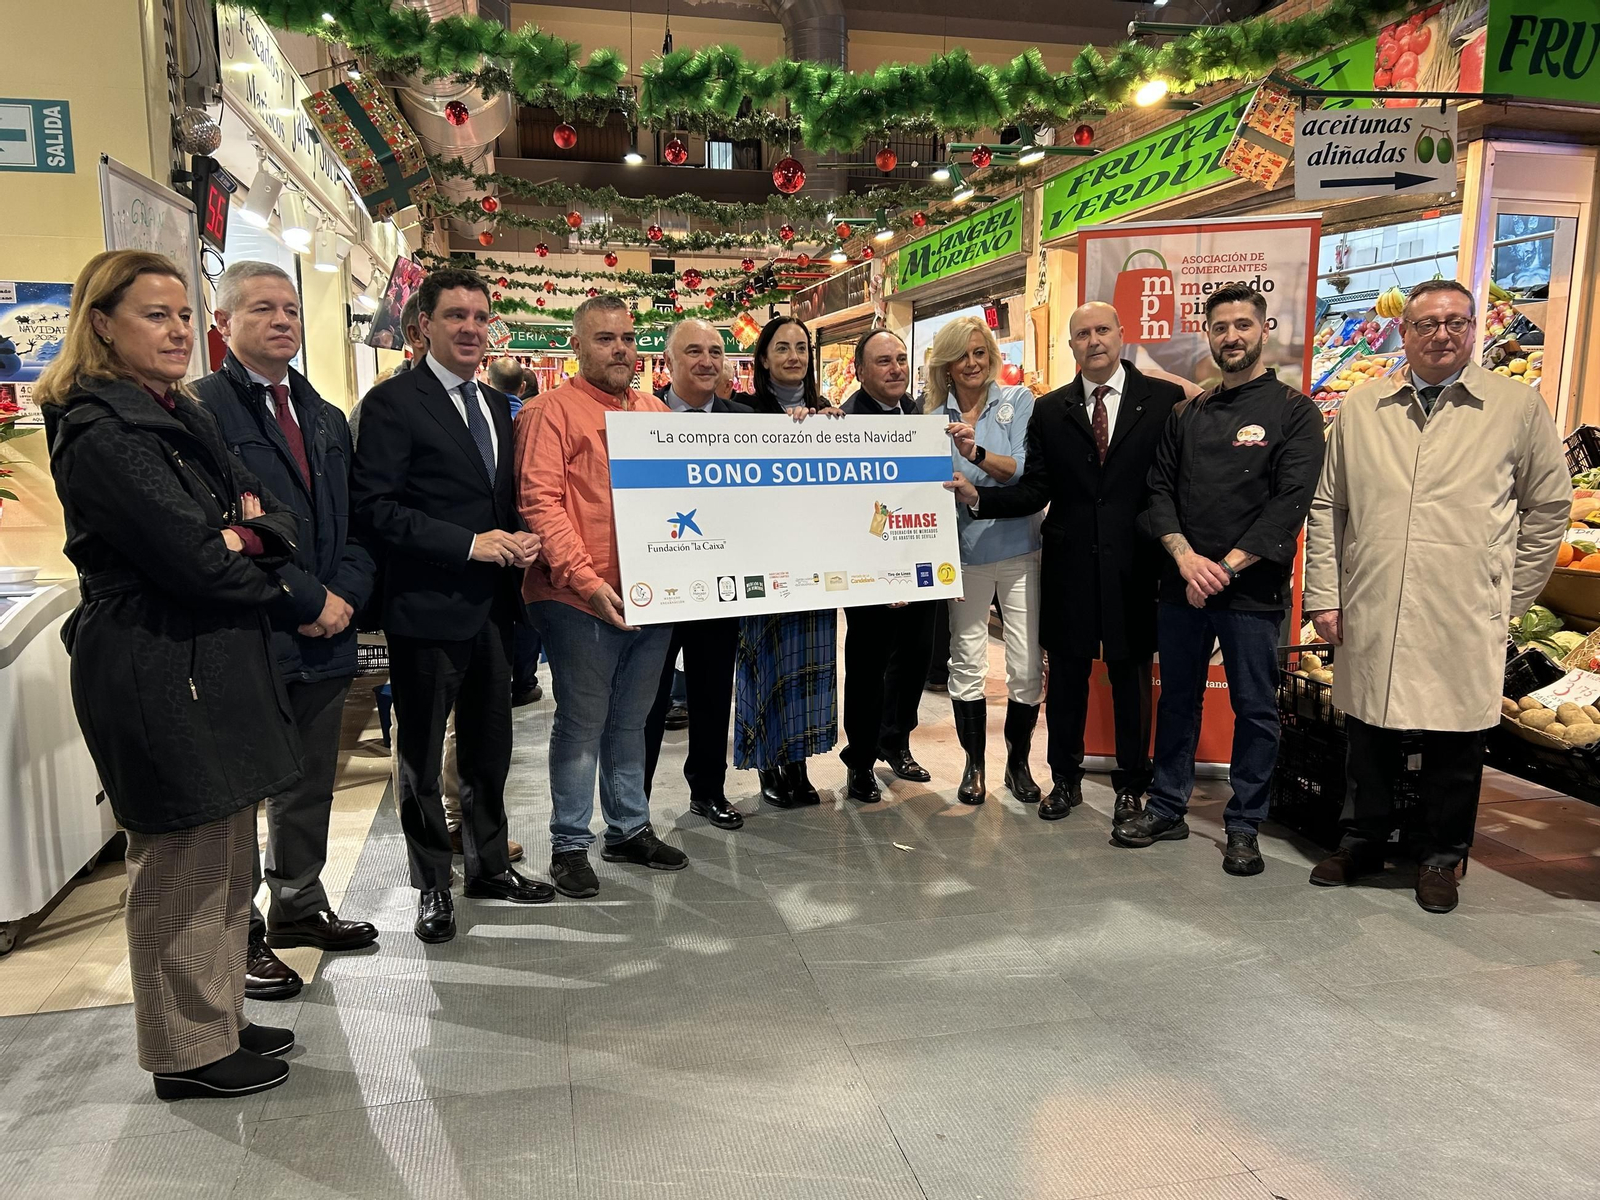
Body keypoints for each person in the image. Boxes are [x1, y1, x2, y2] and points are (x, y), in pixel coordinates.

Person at [39, 250, 303, 1100]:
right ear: (102, 324)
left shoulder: (178, 414)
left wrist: (246, 535)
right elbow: (194, 559)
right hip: (157, 661)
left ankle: (216, 1014)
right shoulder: (101, 429)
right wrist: (238, 538)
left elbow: (274, 515)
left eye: (185, 314)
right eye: (157, 315)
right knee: (180, 861)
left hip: (209, 656)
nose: (179, 330)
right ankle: (185, 1052)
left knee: (227, 857)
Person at [1303, 280, 1568, 913]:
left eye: (1455, 322)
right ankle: (1363, 841)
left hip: (1462, 604)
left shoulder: (1514, 407)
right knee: (1368, 732)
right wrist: (1324, 594)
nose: (1440, 334)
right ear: (1405, 332)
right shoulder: (1364, 409)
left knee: (1455, 741)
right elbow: (1326, 507)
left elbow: (1550, 506)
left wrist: (1509, 596)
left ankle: (1441, 858)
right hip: (1375, 597)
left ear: (1474, 329)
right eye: (1426, 324)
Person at [351, 267, 552, 944]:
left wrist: (519, 540)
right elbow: (376, 510)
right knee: (419, 758)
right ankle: (432, 886)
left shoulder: (498, 406)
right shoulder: (392, 404)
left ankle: (489, 864)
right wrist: (470, 544)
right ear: (424, 326)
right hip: (426, 608)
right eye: (456, 316)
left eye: (480, 316)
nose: (471, 328)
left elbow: (500, 502)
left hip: (495, 612)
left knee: (491, 750)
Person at [197, 262, 380, 1003]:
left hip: (327, 634)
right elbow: (223, 535)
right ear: (225, 324)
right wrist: (305, 598)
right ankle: (237, 934)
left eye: (292, 309)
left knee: (309, 785)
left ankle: (298, 906)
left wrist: (344, 596)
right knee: (241, 795)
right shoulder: (201, 412)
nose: (283, 321)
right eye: (263, 309)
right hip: (252, 633)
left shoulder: (325, 415)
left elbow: (358, 525)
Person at [1119, 283, 1324, 875]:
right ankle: (1167, 806)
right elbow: (1157, 494)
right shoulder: (1188, 414)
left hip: (1252, 593)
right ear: (1207, 336)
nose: (1231, 336)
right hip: (1182, 587)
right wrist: (1186, 562)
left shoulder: (1294, 412)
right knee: (1178, 700)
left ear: (1266, 330)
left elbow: (1287, 508)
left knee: (1255, 709)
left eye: (1242, 325)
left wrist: (1222, 570)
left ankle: (1244, 824)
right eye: (1220, 327)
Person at [949, 302, 1183, 820]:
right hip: (1068, 562)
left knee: (1131, 677)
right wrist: (979, 500)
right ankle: (1065, 778)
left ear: (1122, 334)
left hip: (1135, 562)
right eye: (1082, 334)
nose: (1093, 340)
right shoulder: (1052, 410)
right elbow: (1036, 489)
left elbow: (1174, 481)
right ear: (1071, 345)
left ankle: (1130, 785)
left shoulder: (1162, 400)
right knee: (1068, 677)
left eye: (1103, 329)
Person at [519, 295, 688, 899]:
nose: (621, 349)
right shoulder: (549, 412)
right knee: (583, 721)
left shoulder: (652, 411)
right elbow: (540, 504)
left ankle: (628, 827)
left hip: (652, 593)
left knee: (632, 719)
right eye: (604, 339)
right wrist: (588, 583)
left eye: (627, 337)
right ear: (578, 347)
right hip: (574, 597)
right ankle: (569, 844)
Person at [926, 315, 1042, 806]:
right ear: (946, 365)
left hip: (1020, 550)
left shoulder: (1019, 402)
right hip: (963, 555)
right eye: (961, 355)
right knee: (966, 660)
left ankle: (1018, 764)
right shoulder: (930, 421)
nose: (972, 363)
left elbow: (1020, 470)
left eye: (979, 352)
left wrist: (974, 457)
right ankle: (975, 765)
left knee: (1026, 665)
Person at [641, 319, 752, 830]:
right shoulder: (640, 417)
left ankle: (708, 790)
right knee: (646, 701)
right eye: (693, 351)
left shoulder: (746, 421)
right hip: (655, 588)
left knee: (712, 695)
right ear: (669, 362)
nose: (707, 360)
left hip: (719, 585)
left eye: (715, 351)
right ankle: (631, 805)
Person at [734, 317, 839, 808]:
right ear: (763, 358)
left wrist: (833, 433)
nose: (794, 356)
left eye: (801, 348)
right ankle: (768, 764)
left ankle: (799, 760)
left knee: (810, 667)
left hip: (815, 563)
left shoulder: (828, 414)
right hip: (763, 563)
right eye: (783, 348)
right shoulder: (744, 411)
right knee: (765, 663)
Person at [838, 329, 939, 802]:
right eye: (884, 361)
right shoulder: (843, 421)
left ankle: (896, 742)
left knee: (914, 660)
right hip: (866, 570)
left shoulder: (923, 418)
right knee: (866, 665)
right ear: (860, 371)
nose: (896, 368)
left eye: (901, 359)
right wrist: (880, 569)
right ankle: (859, 761)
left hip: (917, 561)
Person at [487, 356, 545, 706]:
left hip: (483, 541)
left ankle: (499, 682)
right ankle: (523, 680)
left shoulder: (488, 415)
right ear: (522, 387)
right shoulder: (526, 418)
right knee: (524, 611)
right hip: (526, 536)